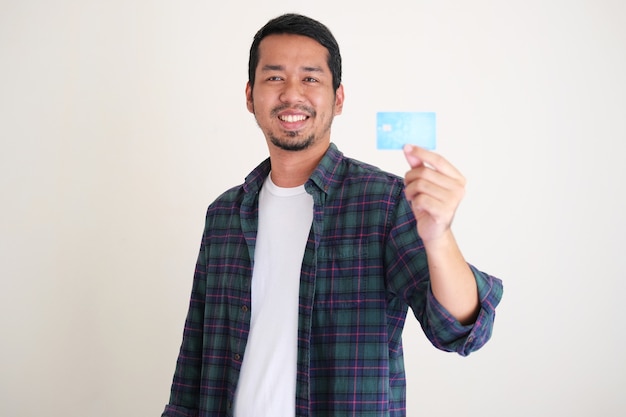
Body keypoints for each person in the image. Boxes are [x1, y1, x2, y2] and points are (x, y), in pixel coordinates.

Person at [162, 13, 503, 417]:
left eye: (310, 78)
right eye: (274, 78)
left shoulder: (384, 202)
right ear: (250, 95)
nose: (292, 94)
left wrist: (439, 235)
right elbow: (193, 363)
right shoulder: (223, 215)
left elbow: (460, 330)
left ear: (338, 98)